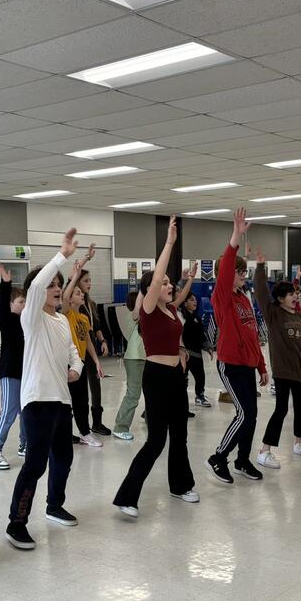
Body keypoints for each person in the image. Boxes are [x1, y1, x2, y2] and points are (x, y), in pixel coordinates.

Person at [113, 217, 198, 517]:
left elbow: (175, 329)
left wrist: (181, 351)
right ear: (150, 289)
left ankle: (180, 485)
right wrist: (170, 243)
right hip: (156, 377)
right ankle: (126, 497)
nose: (169, 285)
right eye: (164, 283)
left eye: (170, 283)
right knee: (157, 440)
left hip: (175, 376)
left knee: (180, 434)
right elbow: (157, 274)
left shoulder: (172, 310)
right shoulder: (147, 309)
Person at [5, 229, 85, 550]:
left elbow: (73, 352)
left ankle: (54, 505)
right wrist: (61, 255)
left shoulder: (61, 320)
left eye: (58, 284)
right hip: (37, 401)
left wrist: (76, 368)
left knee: (63, 458)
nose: (56, 289)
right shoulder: (32, 318)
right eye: (51, 285)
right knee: (36, 464)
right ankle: (17, 522)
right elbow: (36, 286)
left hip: (61, 401)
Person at [205, 208, 269, 485]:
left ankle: (243, 460)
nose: (243, 274)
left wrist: (261, 365)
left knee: (251, 416)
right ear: (227, 273)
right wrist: (235, 237)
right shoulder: (222, 297)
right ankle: (218, 457)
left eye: (244, 271)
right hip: (230, 364)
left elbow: (252, 334)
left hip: (247, 364)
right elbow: (227, 265)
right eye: (239, 271)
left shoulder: (243, 297)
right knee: (244, 413)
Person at [252, 249, 301, 468]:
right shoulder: (274, 314)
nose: (296, 296)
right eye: (291, 294)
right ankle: (264, 450)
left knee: (300, 409)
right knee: (281, 409)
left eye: (296, 293)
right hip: (283, 372)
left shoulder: (300, 318)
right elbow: (261, 293)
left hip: (300, 372)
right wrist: (260, 268)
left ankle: (298, 442)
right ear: (280, 298)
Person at [63, 250, 105, 448]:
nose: (82, 294)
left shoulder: (84, 318)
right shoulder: (65, 315)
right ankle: (64, 433)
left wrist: (96, 362)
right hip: (66, 364)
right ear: (70, 299)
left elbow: (88, 341)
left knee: (82, 400)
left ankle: (86, 432)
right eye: (77, 293)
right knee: (66, 402)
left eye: (82, 293)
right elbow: (65, 295)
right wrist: (78, 271)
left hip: (79, 363)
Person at [0, 265, 27, 470]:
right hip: (10, 374)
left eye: (25, 301)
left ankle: (24, 445)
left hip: (25, 374)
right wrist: (6, 283)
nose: (24, 305)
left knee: (26, 412)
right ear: (11, 305)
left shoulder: (26, 322)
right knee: (9, 413)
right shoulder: (8, 320)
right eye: (20, 302)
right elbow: (1, 306)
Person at [76, 263, 112, 437]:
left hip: (91, 348)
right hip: (78, 349)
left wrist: (103, 341)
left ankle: (97, 422)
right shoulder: (75, 303)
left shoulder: (91, 303)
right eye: (85, 280)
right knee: (79, 389)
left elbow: (96, 327)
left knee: (96, 383)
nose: (89, 283)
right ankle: (81, 425)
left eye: (90, 280)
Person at [112, 292, 145, 441]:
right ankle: (120, 427)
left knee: (152, 391)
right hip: (134, 358)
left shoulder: (145, 315)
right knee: (133, 394)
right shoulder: (133, 316)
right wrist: (144, 290)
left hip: (146, 358)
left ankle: (151, 417)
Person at [181, 290, 213, 408]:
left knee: (200, 377)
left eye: (195, 300)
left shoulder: (197, 318)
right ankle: (181, 402)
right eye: (191, 300)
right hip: (185, 355)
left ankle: (199, 396)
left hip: (197, 355)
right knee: (182, 379)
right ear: (185, 303)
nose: (195, 302)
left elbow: (202, 335)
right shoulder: (182, 318)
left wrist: (208, 347)